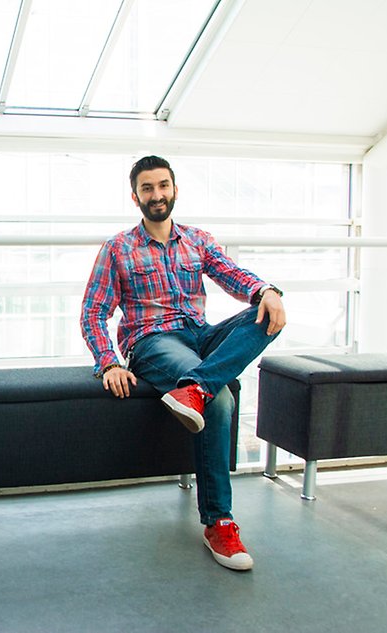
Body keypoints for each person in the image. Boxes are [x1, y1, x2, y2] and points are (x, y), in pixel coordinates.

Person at [80, 155, 286, 571]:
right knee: (222, 400)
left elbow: (231, 274)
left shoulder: (198, 239)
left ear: (175, 189)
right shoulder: (118, 248)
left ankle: (196, 386)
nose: (157, 195)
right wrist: (109, 363)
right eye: (147, 188)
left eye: (163, 185)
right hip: (154, 342)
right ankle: (219, 523)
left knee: (268, 315)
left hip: (201, 335)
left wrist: (266, 290)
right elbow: (92, 313)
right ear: (135, 196)